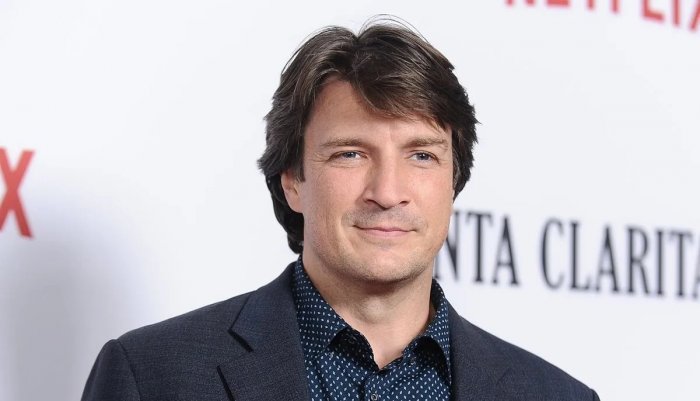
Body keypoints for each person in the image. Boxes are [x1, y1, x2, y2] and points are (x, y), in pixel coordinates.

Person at [82, 18, 599, 401]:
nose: (388, 192)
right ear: (292, 181)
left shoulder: (557, 396)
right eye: (350, 154)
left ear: (454, 180)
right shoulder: (152, 376)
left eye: (421, 155)